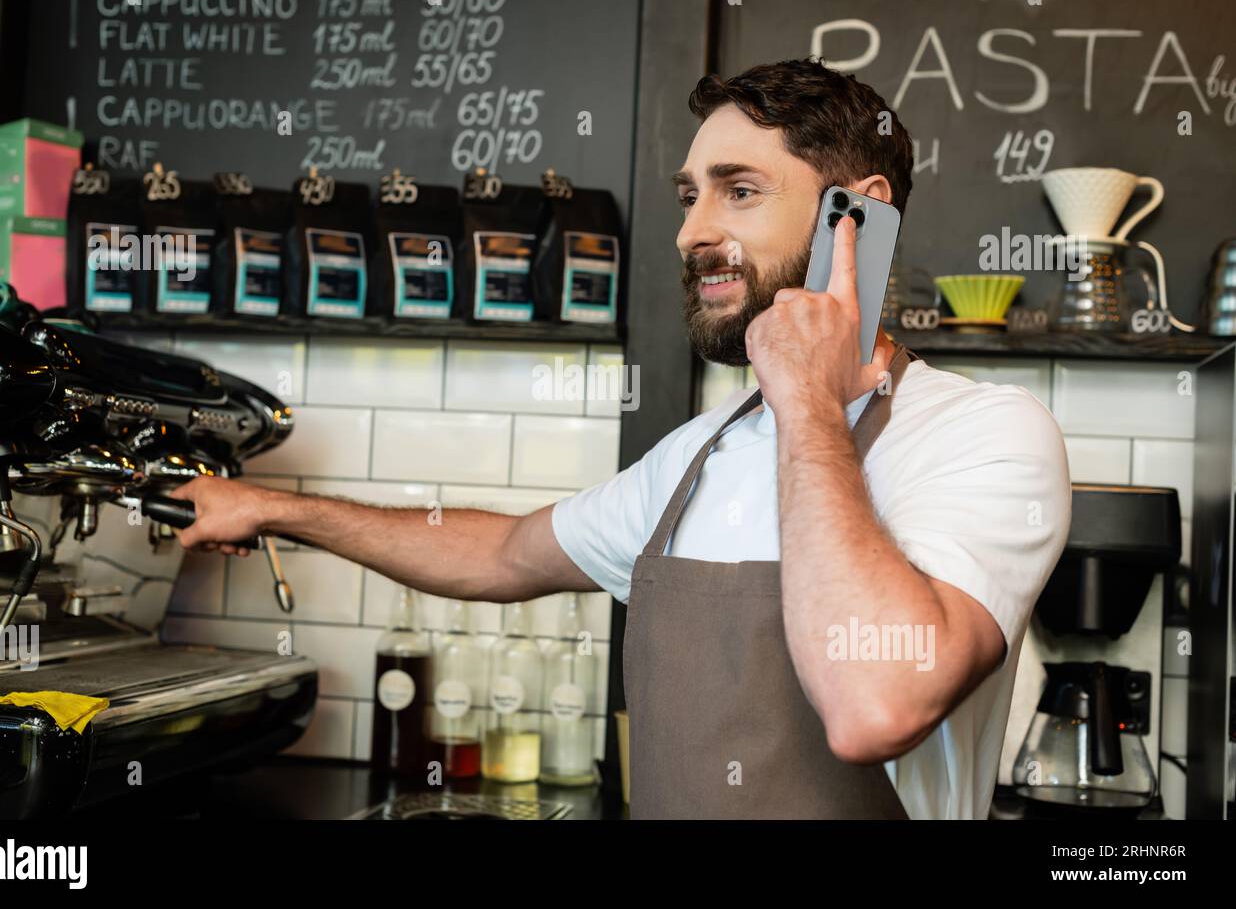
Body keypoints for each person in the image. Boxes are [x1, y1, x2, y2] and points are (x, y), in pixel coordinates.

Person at [172, 58, 1072, 819]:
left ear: (858, 218)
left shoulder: (984, 435)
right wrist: (271, 506)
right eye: (689, 197)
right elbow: (501, 554)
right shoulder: (696, 457)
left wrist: (803, 391)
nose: (690, 232)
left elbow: (875, 706)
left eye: (740, 191)